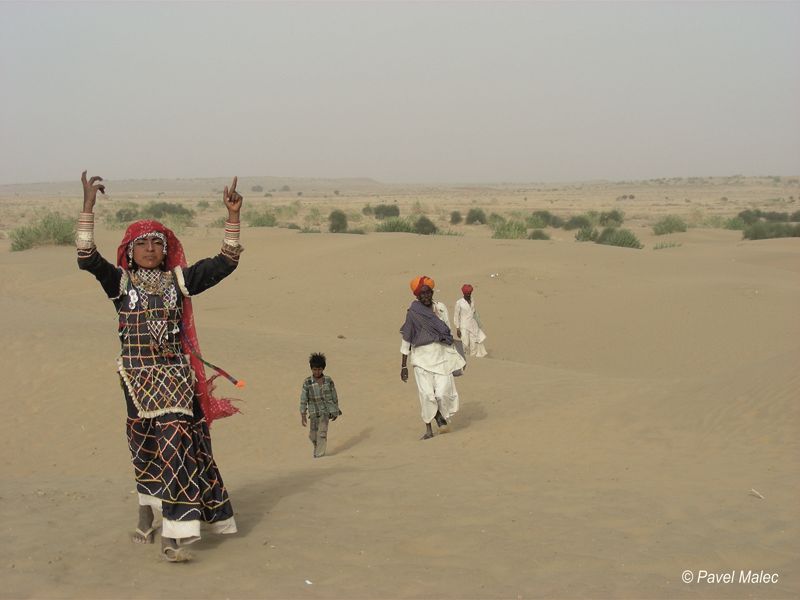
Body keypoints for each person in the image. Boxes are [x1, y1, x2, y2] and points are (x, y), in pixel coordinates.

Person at [76, 170, 244, 562]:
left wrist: (233, 217)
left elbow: (225, 262)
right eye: (142, 243)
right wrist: (88, 207)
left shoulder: (178, 281)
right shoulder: (119, 283)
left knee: (176, 446)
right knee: (145, 446)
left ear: (166, 249)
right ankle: (146, 510)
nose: (151, 248)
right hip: (135, 378)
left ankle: (176, 533)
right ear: (130, 251)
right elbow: (87, 258)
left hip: (175, 378)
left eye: (157, 242)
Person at [400, 276, 466, 440]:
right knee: (427, 395)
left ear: (432, 292)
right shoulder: (413, 314)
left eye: (427, 292)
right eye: (422, 294)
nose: (425, 296)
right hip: (421, 359)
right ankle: (429, 428)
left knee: (442, 393)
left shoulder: (441, 308)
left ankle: (441, 417)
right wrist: (403, 366)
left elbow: (446, 330)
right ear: (417, 296)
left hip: (441, 355)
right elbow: (406, 338)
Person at [299, 352, 342, 458]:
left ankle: (319, 456)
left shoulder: (328, 381)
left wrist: (335, 410)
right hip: (313, 413)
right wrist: (303, 414)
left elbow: (334, 395)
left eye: (319, 369)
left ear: (323, 369)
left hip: (325, 412)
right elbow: (303, 398)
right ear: (311, 369)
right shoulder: (307, 382)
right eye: (314, 369)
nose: (317, 372)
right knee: (313, 435)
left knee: (322, 433)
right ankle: (317, 447)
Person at [454, 284, 487, 358]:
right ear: (464, 293)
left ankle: (473, 359)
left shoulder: (472, 300)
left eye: (469, 293)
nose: (468, 295)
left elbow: (474, 312)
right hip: (464, 326)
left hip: (473, 325)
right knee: (464, 343)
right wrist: (457, 328)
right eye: (467, 293)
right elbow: (456, 316)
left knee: (474, 344)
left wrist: (479, 323)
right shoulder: (459, 303)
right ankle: (463, 358)